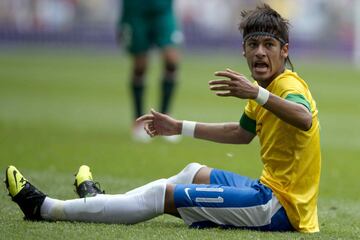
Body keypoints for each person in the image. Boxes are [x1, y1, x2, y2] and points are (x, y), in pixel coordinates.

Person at [5, 4, 321, 233]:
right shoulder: (266, 88)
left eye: (269, 45)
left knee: (163, 197)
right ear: (243, 51)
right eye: (253, 45)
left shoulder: (285, 87)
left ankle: (45, 208)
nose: (260, 53)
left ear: (284, 51)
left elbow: (304, 118)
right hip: (270, 190)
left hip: (280, 208)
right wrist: (178, 126)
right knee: (193, 172)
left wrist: (257, 95)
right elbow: (240, 133)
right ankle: (99, 201)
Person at [117, 0, 182, 142]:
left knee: (171, 60)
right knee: (140, 65)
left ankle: (166, 118)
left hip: (162, 10)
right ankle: (138, 119)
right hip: (136, 10)